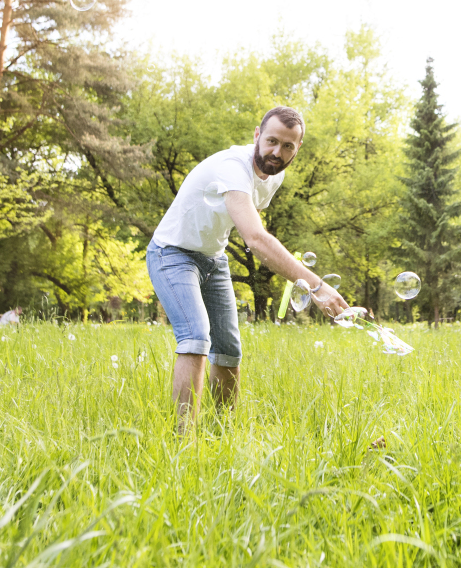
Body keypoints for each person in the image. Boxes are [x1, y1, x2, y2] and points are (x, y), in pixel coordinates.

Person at [146, 106, 349, 431]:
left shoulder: (275, 174)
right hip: (171, 253)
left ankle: (221, 432)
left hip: (213, 258)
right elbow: (254, 237)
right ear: (257, 135)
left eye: (288, 147)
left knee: (228, 349)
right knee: (196, 337)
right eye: (271, 141)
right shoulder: (233, 167)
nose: (276, 152)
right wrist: (316, 285)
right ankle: (182, 443)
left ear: (297, 149)